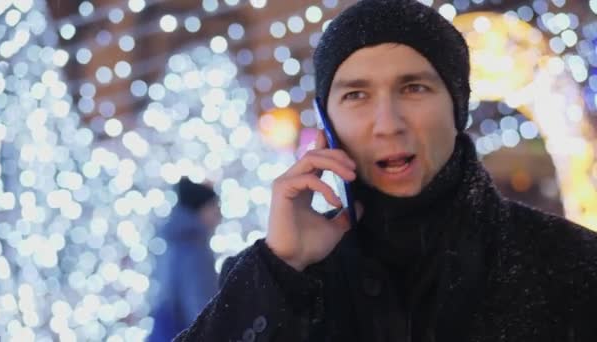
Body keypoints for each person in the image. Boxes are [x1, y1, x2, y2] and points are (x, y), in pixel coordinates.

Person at [174, 1, 597, 341]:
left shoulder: (572, 264)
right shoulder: (278, 282)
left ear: (457, 106)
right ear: (329, 124)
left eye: (414, 88)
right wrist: (282, 266)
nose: (388, 122)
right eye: (356, 94)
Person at [148, 178, 221, 342]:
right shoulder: (195, 250)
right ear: (201, 209)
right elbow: (200, 309)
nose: (218, 215)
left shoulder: (174, 243)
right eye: (214, 207)